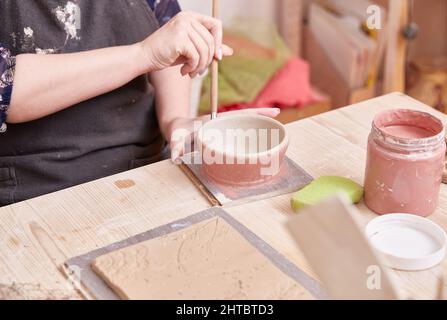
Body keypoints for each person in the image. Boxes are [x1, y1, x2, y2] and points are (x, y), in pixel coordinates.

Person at [0, 0, 279, 206]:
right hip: (35, 192)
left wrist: (175, 120)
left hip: (144, 171)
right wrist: (142, 54)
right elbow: (6, 88)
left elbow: (169, 42)